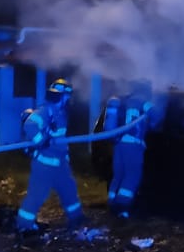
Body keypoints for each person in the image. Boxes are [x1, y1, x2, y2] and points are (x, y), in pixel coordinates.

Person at [16, 78, 87, 236]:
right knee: (37, 195)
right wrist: (41, 140)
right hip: (45, 165)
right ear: (63, 96)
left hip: (60, 164)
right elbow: (30, 124)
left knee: (69, 190)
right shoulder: (46, 110)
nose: (69, 100)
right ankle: (23, 226)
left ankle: (76, 219)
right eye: (67, 97)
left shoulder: (59, 112)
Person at [103, 79, 157, 218]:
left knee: (119, 174)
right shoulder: (144, 102)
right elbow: (156, 116)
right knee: (132, 175)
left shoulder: (124, 101)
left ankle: (112, 202)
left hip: (119, 143)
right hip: (133, 143)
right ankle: (123, 206)